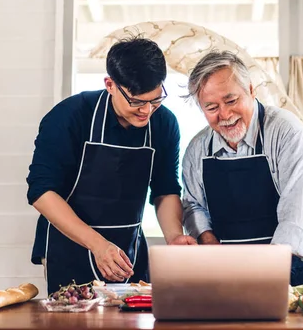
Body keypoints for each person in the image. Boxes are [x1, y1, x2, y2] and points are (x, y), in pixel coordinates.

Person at [27, 37, 196, 294]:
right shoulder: (70, 116)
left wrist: (174, 238)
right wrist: (98, 245)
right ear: (110, 85)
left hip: (130, 252)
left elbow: (165, 189)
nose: (147, 111)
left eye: (155, 99)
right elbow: (41, 192)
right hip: (70, 246)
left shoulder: (164, 123)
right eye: (137, 102)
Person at [181, 51, 303, 286]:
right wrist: (208, 244)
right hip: (232, 273)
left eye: (231, 101)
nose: (225, 115)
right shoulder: (197, 149)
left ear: (250, 89)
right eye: (211, 107)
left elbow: (298, 208)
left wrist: (266, 271)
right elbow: (193, 205)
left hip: (299, 270)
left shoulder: (285, 131)